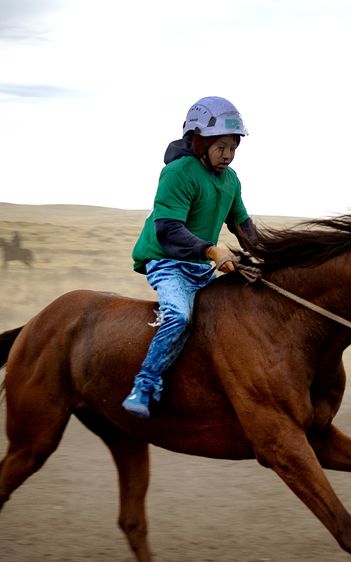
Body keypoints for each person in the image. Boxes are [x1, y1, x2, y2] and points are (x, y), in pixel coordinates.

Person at [122, 96, 258, 418]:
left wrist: (267, 254)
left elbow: (243, 226)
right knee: (180, 317)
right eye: (221, 146)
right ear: (199, 141)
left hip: (199, 267)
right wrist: (212, 251)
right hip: (168, 264)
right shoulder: (179, 172)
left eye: (233, 147)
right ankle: (145, 383)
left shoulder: (230, 180)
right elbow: (168, 230)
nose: (228, 155)